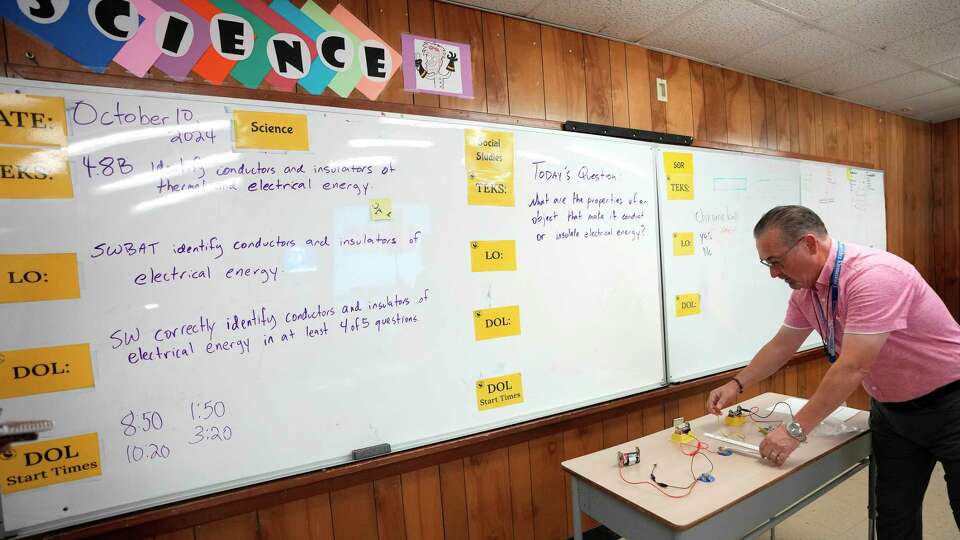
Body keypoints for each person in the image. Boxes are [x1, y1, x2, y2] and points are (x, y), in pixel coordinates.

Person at [707, 205, 960, 539]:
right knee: (895, 520)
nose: (773, 273)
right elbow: (782, 346)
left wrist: (794, 430)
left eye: (776, 261)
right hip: (892, 415)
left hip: (951, 405)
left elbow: (854, 366)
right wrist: (737, 383)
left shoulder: (874, 276)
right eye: (767, 263)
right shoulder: (806, 291)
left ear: (809, 243)